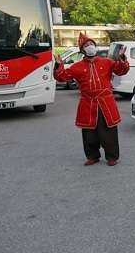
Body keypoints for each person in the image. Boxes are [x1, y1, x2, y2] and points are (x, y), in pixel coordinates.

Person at [54, 33, 130, 166]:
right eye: (86, 45)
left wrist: (122, 57)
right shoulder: (76, 66)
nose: (89, 47)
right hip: (87, 102)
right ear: (82, 50)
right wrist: (59, 65)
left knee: (109, 130)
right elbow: (62, 77)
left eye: (91, 44)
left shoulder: (107, 62)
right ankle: (92, 155)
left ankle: (112, 156)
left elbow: (121, 70)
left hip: (106, 101)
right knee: (89, 131)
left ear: (95, 47)